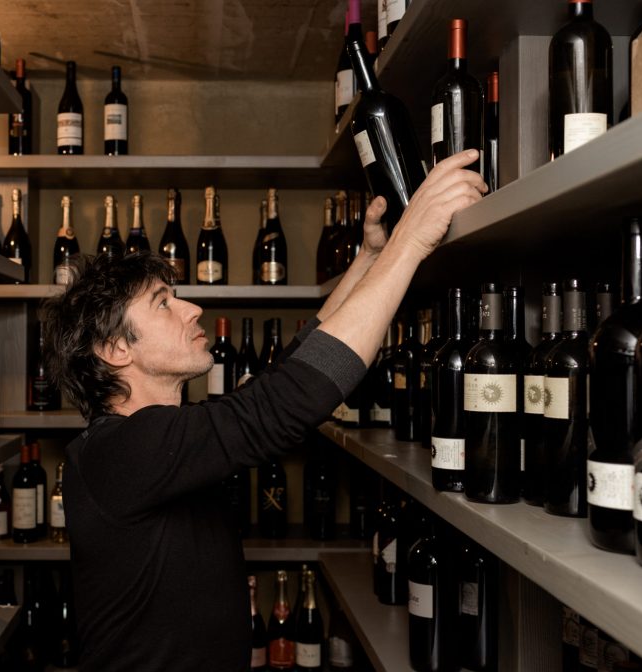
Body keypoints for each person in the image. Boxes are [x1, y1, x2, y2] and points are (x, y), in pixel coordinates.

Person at [42, 150, 487, 671]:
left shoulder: (156, 440)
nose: (193, 308)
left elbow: (288, 372)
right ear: (117, 349)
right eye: (164, 302)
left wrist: (369, 261)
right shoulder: (118, 452)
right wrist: (411, 240)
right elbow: (287, 400)